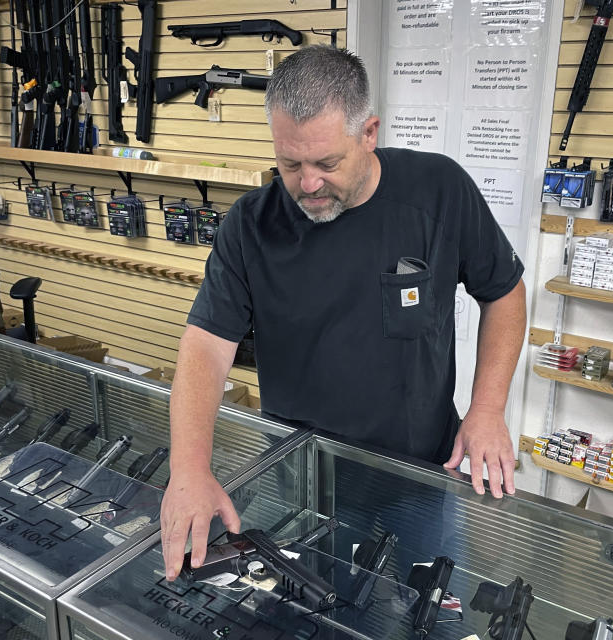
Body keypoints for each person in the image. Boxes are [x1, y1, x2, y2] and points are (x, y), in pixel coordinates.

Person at [161, 45, 526, 581]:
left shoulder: (439, 191)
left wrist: (488, 408)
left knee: (433, 615)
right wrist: (189, 468)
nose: (308, 184)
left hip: (420, 475)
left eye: (326, 163)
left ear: (369, 132)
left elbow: (504, 292)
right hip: (304, 479)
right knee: (313, 611)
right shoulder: (250, 224)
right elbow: (206, 347)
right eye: (290, 164)